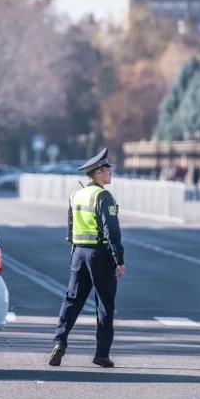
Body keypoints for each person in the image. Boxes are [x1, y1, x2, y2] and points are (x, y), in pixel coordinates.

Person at [48, 147, 125, 368]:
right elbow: (112, 231)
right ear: (98, 172)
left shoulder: (76, 195)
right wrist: (118, 259)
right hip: (99, 255)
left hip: (79, 253)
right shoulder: (103, 197)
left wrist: (75, 253)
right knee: (104, 305)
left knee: (72, 300)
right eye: (107, 170)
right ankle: (101, 354)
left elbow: (71, 229)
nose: (110, 173)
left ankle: (59, 342)